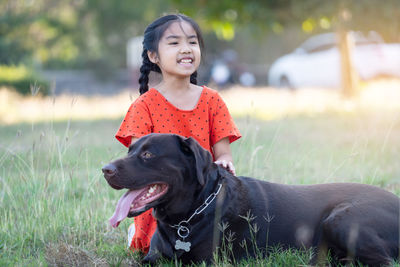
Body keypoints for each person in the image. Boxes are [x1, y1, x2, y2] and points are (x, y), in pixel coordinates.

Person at [114, 13, 241, 254]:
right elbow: (140, 166)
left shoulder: (212, 100)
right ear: (153, 56)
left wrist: (225, 162)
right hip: (163, 206)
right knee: (163, 251)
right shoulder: (144, 106)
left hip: (203, 202)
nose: (186, 49)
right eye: (174, 43)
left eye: (192, 42)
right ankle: (139, 232)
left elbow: (224, 154)